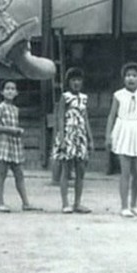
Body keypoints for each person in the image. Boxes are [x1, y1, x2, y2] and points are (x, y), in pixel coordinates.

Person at [105, 62, 137, 218]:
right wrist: (108, 135)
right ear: (123, 78)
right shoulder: (118, 95)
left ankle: (134, 204)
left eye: (134, 76)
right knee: (125, 172)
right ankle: (124, 206)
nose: (131, 79)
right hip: (123, 130)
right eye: (128, 76)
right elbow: (112, 116)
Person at [51, 67, 94, 214]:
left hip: (80, 136)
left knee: (80, 171)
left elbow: (85, 119)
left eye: (79, 80)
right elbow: (60, 118)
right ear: (69, 82)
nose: (76, 83)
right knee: (66, 169)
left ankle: (77, 203)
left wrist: (90, 138)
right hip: (68, 135)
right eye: (73, 80)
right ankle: (65, 203)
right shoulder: (65, 97)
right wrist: (62, 139)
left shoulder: (84, 98)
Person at [0, 80, 40, 212]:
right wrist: (11, 130)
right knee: (2, 173)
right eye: (7, 88)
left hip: (14, 144)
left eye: (13, 89)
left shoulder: (15, 109)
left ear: (16, 93)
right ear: (2, 92)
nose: (10, 91)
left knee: (19, 173)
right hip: (4, 143)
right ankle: (0, 203)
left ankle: (26, 203)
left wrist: (17, 132)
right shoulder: (1, 107)